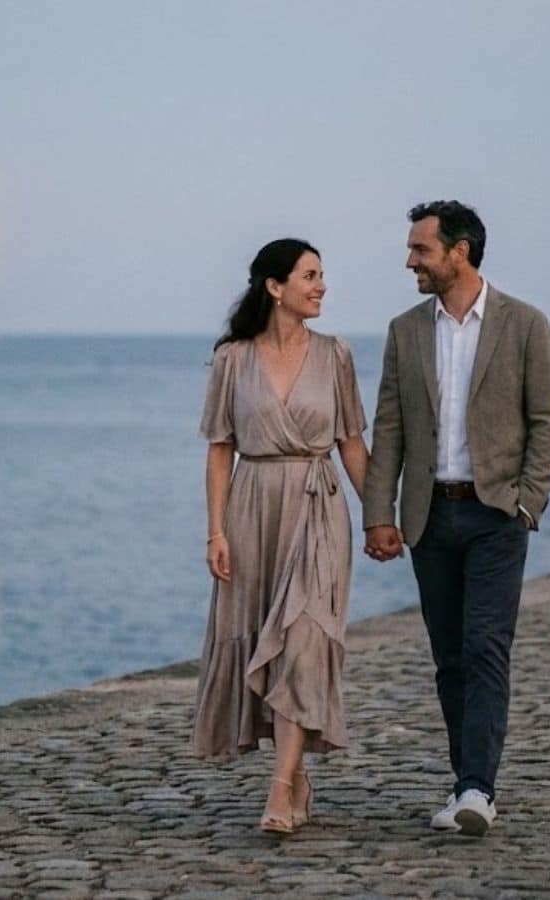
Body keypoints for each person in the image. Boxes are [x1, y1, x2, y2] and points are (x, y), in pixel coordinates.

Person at [363, 201, 550, 836]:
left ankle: (479, 788)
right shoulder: (405, 330)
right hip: (430, 519)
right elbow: (389, 426)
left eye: (420, 249)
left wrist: (528, 501)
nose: (409, 261)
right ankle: (464, 785)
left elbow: (547, 421)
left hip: (497, 515)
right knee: (449, 658)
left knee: (484, 649)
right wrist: (379, 515)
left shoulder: (524, 324)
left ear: (460, 251)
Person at [192, 238, 369, 834]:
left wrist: (383, 517)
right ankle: (294, 775)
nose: (321, 286)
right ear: (275, 286)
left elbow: (351, 444)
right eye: (309, 276)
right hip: (252, 505)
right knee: (263, 643)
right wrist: (215, 531)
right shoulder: (233, 360)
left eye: (322, 276)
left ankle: (277, 790)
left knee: (303, 641)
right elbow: (220, 449)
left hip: (319, 506)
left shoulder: (335, 354)